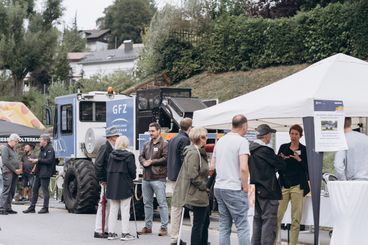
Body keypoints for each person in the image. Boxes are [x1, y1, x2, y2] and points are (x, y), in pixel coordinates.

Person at [211, 114, 251, 245]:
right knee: (242, 226)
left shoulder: (221, 141)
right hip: (234, 187)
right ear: (244, 126)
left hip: (219, 186)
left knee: (224, 226)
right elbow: (244, 168)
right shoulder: (242, 141)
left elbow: (212, 166)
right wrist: (245, 186)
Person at [249, 124, 286, 245]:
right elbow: (281, 165)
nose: (271, 136)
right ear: (266, 136)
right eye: (270, 134)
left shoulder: (250, 148)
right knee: (269, 222)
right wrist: (281, 158)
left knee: (257, 220)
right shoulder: (265, 150)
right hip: (268, 189)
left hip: (255, 189)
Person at [172, 127, 209, 245]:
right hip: (197, 192)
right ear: (198, 138)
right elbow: (193, 175)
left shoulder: (197, 151)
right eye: (203, 137)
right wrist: (204, 186)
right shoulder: (194, 153)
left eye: (206, 136)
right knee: (199, 224)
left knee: (203, 222)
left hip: (199, 192)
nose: (206, 139)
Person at [276, 124, 310, 245]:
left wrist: (299, 159)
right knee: (277, 216)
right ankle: (274, 242)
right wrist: (282, 160)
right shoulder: (283, 147)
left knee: (296, 219)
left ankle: (293, 243)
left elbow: (308, 169)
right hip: (284, 185)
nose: (293, 136)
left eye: (296, 134)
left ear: (300, 136)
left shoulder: (304, 149)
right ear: (289, 134)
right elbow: (277, 166)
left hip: (298, 186)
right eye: (292, 133)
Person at [138, 122, 169, 236]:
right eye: (149, 131)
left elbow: (166, 158)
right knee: (147, 203)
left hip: (158, 178)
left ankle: (164, 228)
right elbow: (140, 156)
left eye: (152, 131)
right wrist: (143, 162)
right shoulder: (146, 144)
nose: (150, 133)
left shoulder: (165, 144)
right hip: (146, 178)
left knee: (162, 203)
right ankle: (147, 227)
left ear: (158, 131)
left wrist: (151, 162)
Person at [106, 136, 137, 241]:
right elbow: (133, 173)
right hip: (125, 185)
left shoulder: (111, 155)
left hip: (112, 185)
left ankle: (111, 233)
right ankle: (125, 233)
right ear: (126, 144)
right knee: (125, 210)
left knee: (113, 210)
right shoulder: (129, 156)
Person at [168, 118, 192, 245]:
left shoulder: (173, 138)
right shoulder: (185, 140)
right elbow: (185, 160)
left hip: (172, 175)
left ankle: (174, 237)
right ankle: (192, 237)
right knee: (186, 206)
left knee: (176, 207)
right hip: (181, 177)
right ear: (190, 127)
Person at [93, 126, 121, 239]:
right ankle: (99, 230)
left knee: (108, 205)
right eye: (116, 136)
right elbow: (98, 165)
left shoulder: (112, 147)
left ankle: (105, 229)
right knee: (103, 205)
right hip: (105, 181)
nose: (118, 137)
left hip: (109, 180)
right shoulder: (105, 147)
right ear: (111, 137)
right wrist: (102, 179)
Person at [23, 134, 55, 214]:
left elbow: (49, 160)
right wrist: (35, 162)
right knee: (34, 189)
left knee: (45, 190)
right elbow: (40, 160)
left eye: (40, 140)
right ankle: (32, 207)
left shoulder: (50, 149)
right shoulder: (42, 149)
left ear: (45, 141)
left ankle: (45, 208)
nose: (39, 141)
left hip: (45, 173)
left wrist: (37, 160)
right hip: (38, 173)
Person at [0, 134, 22, 215]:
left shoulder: (13, 149)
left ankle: (8, 208)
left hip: (14, 172)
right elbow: (5, 161)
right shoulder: (5, 148)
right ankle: (2, 208)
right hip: (8, 172)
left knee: (12, 190)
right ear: (12, 140)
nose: (16, 143)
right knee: (6, 190)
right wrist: (15, 170)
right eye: (16, 141)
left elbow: (16, 160)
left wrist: (19, 169)